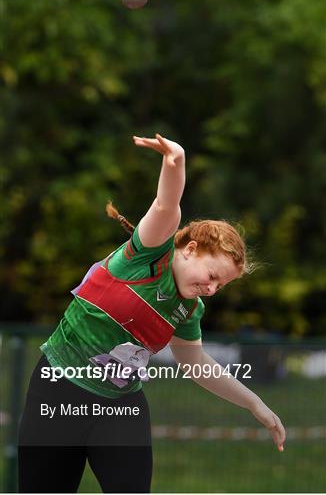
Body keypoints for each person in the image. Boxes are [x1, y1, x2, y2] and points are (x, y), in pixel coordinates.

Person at [18, 134, 286, 493]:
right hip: (59, 389)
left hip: (121, 404)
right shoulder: (150, 255)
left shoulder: (188, 308)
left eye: (220, 286)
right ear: (190, 250)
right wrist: (174, 161)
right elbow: (166, 205)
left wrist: (256, 405)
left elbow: (197, 365)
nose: (211, 289)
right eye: (212, 277)